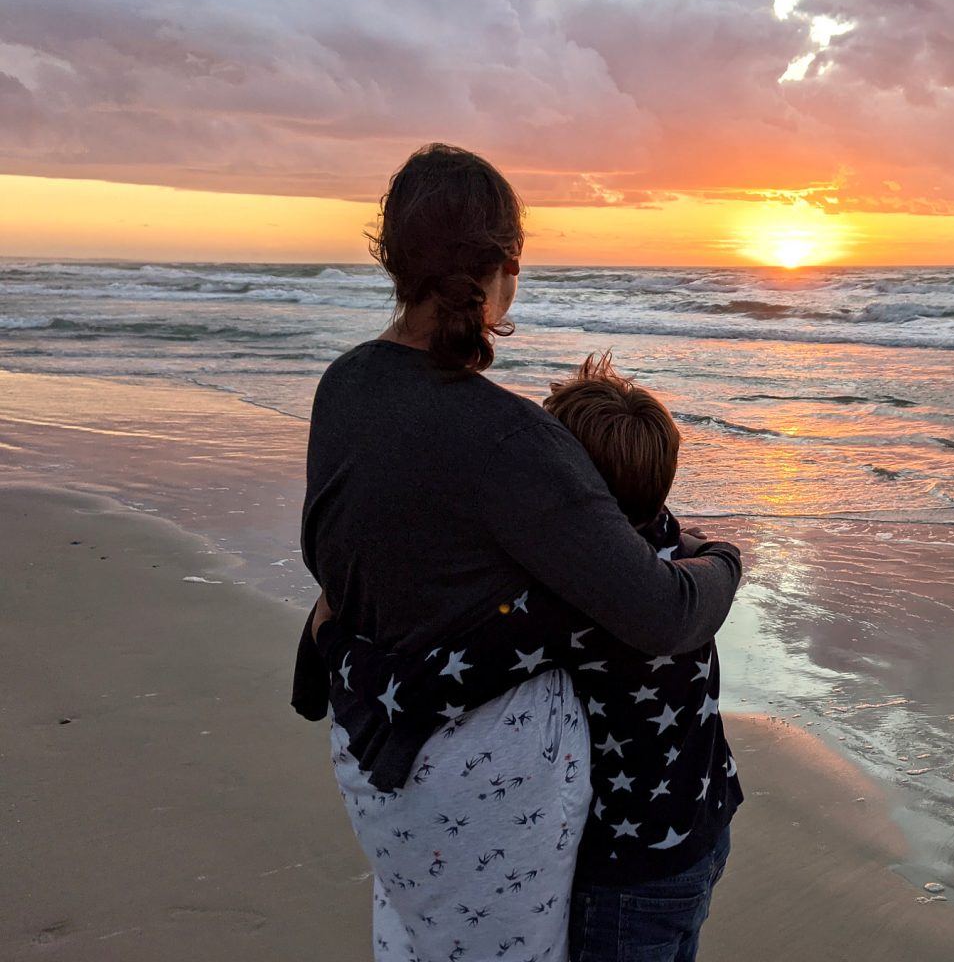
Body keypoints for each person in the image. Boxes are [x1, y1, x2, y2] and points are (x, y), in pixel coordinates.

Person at [294, 144, 742, 962]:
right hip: (490, 786)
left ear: (392, 257)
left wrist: (333, 646)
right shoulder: (511, 439)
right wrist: (723, 561)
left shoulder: (345, 384)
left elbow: (332, 561)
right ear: (505, 268)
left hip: (374, 757)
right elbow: (655, 612)